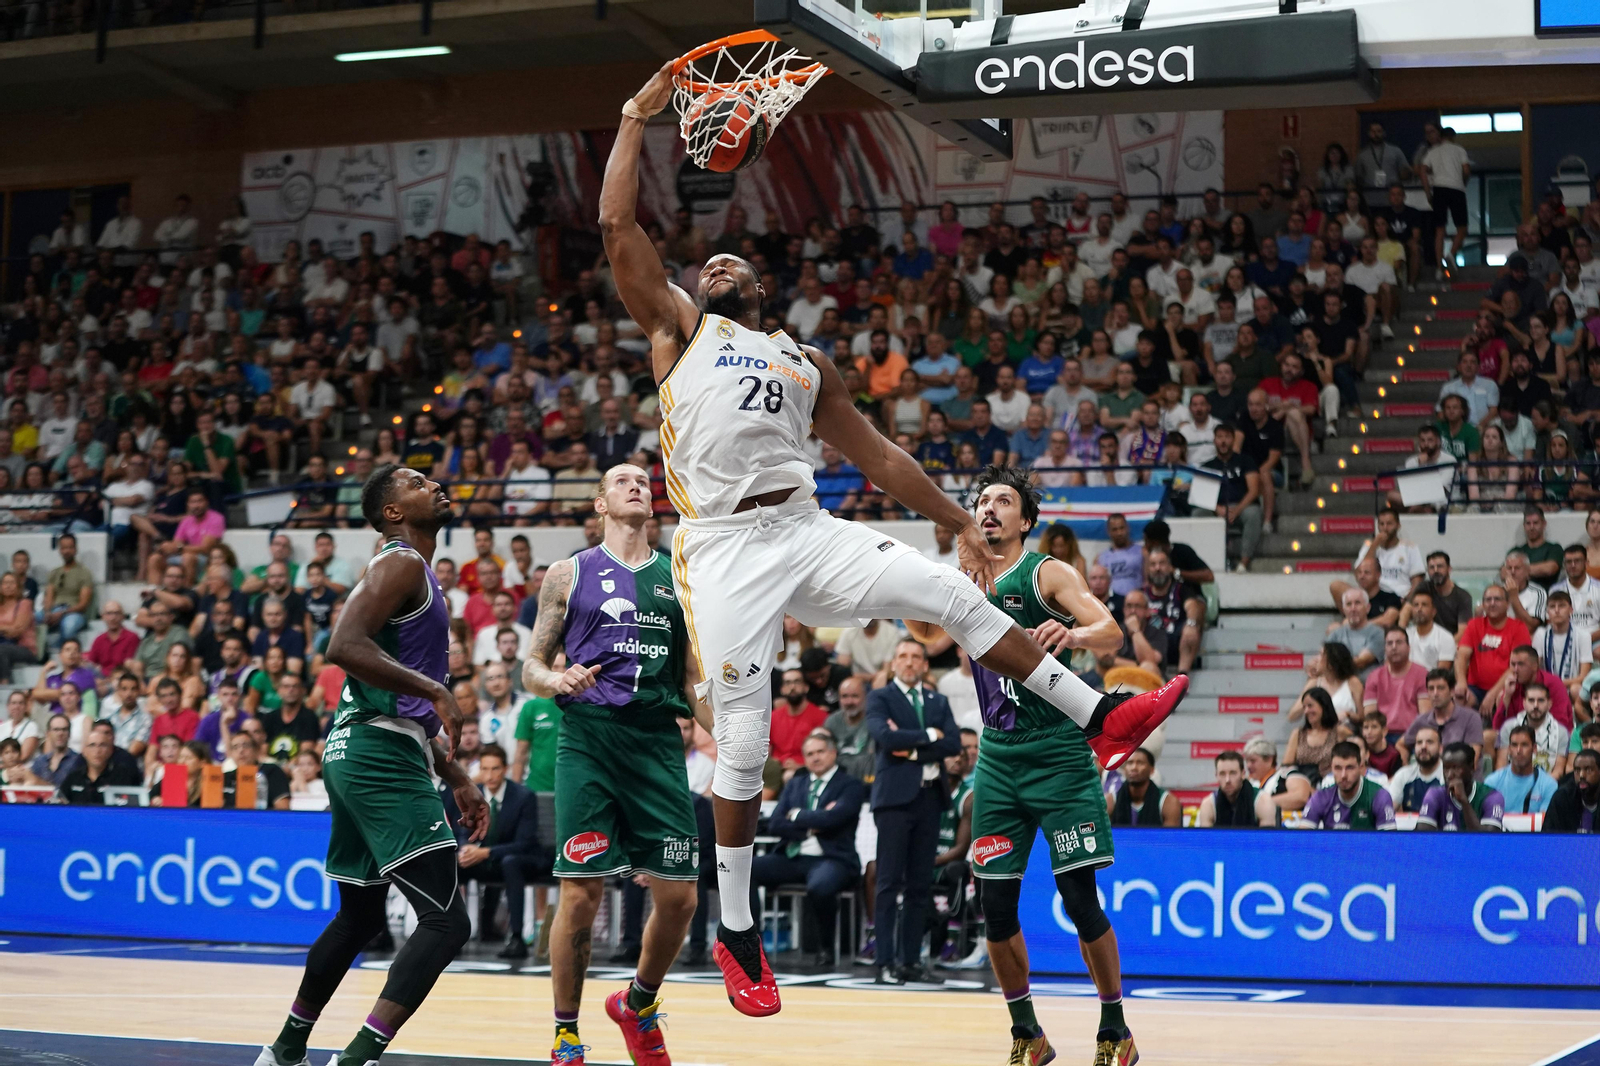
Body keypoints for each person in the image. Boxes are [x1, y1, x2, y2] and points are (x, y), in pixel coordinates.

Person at [601, 64, 1185, 1018]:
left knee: (957, 596)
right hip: (720, 551)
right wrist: (636, 115)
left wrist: (959, 522)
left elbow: (878, 456)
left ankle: (1100, 717)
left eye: (727, 265)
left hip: (803, 525)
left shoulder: (804, 358)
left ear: (760, 285)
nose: (712, 268)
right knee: (742, 747)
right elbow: (619, 230)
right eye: (702, 267)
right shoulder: (677, 331)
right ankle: (738, 929)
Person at [254, 464, 486, 1066]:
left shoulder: (415, 571)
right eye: (415, 481)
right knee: (444, 923)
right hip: (376, 753)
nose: (436, 482)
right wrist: (437, 691)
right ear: (391, 511)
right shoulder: (400, 561)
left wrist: (455, 773)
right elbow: (343, 645)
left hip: (364, 745)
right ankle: (356, 1058)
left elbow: (391, 693)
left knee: (358, 917)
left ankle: (284, 1050)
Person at [907, 467, 1139, 1066]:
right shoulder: (961, 581)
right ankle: (1026, 1034)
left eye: (1002, 501)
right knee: (996, 907)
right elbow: (925, 634)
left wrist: (1074, 633)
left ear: (1025, 521)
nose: (988, 509)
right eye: (981, 501)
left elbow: (1110, 631)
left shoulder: (1046, 572)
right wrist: (904, 587)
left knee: (1079, 898)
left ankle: (1115, 1027)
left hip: (1059, 750)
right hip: (999, 757)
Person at [521, 463, 702, 1062]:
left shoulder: (680, 576)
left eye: (643, 481)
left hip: (656, 741)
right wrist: (556, 677)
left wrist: (726, 738)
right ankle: (567, 1033)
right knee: (581, 893)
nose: (636, 485)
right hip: (590, 739)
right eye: (621, 480)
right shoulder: (567, 574)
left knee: (679, 898)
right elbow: (532, 667)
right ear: (600, 503)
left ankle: (637, 1003)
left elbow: (692, 677)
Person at [866, 638, 958, 984]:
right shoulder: (880, 697)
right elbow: (884, 739)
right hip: (894, 799)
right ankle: (884, 962)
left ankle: (910, 962)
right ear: (893, 664)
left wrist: (914, 746)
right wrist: (928, 736)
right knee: (889, 881)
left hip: (930, 797)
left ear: (924, 665)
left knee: (920, 885)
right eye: (902, 656)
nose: (909, 662)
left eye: (915, 657)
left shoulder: (939, 700)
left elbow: (951, 743)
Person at [750, 730, 865, 969]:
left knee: (821, 886)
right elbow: (776, 824)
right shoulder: (797, 784)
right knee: (745, 871)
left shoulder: (850, 785)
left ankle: (825, 947)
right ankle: (752, 946)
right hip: (794, 856)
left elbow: (836, 819)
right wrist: (813, 824)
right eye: (810, 754)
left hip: (833, 859)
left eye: (820, 752)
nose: (815, 758)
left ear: (833, 753)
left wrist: (798, 815)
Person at [447, 743, 549, 959]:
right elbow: (461, 830)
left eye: (495, 769)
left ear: (505, 769)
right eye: (484, 769)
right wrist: (466, 848)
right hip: (482, 860)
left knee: (510, 862)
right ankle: (449, 935)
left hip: (520, 859)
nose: (489, 775)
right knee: (450, 862)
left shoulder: (523, 796)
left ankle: (517, 938)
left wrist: (485, 853)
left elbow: (525, 842)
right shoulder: (470, 795)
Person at [1454, 585, 1531, 707]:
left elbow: (1516, 667)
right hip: (1475, 688)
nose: (1492, 603)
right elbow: (1462, 656)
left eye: (1497, 599)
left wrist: (1492, 694)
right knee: (1459, 698)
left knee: (1502, 700)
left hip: (1506, 687)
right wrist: (1461, 683)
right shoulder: (1474, 625)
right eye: (1488, 600)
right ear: (1483, 604)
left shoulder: (1519, 628)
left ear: (1507, 604)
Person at [1299, 740, 1397, 829]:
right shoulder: (1321, 797)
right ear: (1331, 768)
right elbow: (1303, 840)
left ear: (1361, 767)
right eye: (1338, 768)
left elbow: (1390, 843)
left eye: (1350, 767)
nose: (1343, 775)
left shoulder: (1379, 796)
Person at [1416, 742, 1504, 831]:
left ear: (1472, 767)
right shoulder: (1435, 794)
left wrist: (1463, 801)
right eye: (1446, 768)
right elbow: (1422, 836)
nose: (1449, 775)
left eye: (1456, 768)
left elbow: (1488, 841)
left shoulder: (1491, 796)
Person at [1361, 627, 1427, 738]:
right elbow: (1370, 718)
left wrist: (1405, 741)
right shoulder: (1374, 676)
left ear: (1409, 647)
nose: (1394, 647)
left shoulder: (1422, 674)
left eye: (1399, 642)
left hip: (1412, 735)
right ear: (1385, 649)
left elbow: (1425, 717)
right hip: (1381, 736)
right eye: (1389, 643)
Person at [1484, 723, 1561, 815]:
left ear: (1534, 748)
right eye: (1514, 745)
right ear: (1509, 749)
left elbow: (1544, 822)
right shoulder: (1492, 782)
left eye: (1524, 745)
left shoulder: (1549, 784)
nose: (1518, 751)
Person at [59, 726, 142, 804]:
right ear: (84, 752)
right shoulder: (74, 777)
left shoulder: (123, 776)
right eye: (92, 745)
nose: (97, 750)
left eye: (102, 745)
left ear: (110, 750)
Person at [1106, 747, 1179, 826]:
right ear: (1124, 769)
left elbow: (1170, 837)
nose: (1134, 768)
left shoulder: (1168, 802)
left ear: (1152, 770)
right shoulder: (1110, 801)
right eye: (1130, 763)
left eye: (1140, 763)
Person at [1195, 749, 1258, 827]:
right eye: (1222, 774)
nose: (1227, 780)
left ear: (1243, 774)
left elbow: (1268, 838)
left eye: (1233, 773)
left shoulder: (1261, 801)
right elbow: (1207, 839)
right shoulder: (1209, 804)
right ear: (1216, 776)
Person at [1541, 747, 1598, 832]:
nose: (1582, 775)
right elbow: (1549, 838)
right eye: (1577, 770)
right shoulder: (1562, 797)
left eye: (1588, 770)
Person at [1405, 588, 1457, 671]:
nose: (1419, 609)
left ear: (1433, 611)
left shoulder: (1445, 638)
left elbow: (1441, 674)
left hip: (1430, 682)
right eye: (1416, 605)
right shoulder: (1405, 635)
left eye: (1424, 605)